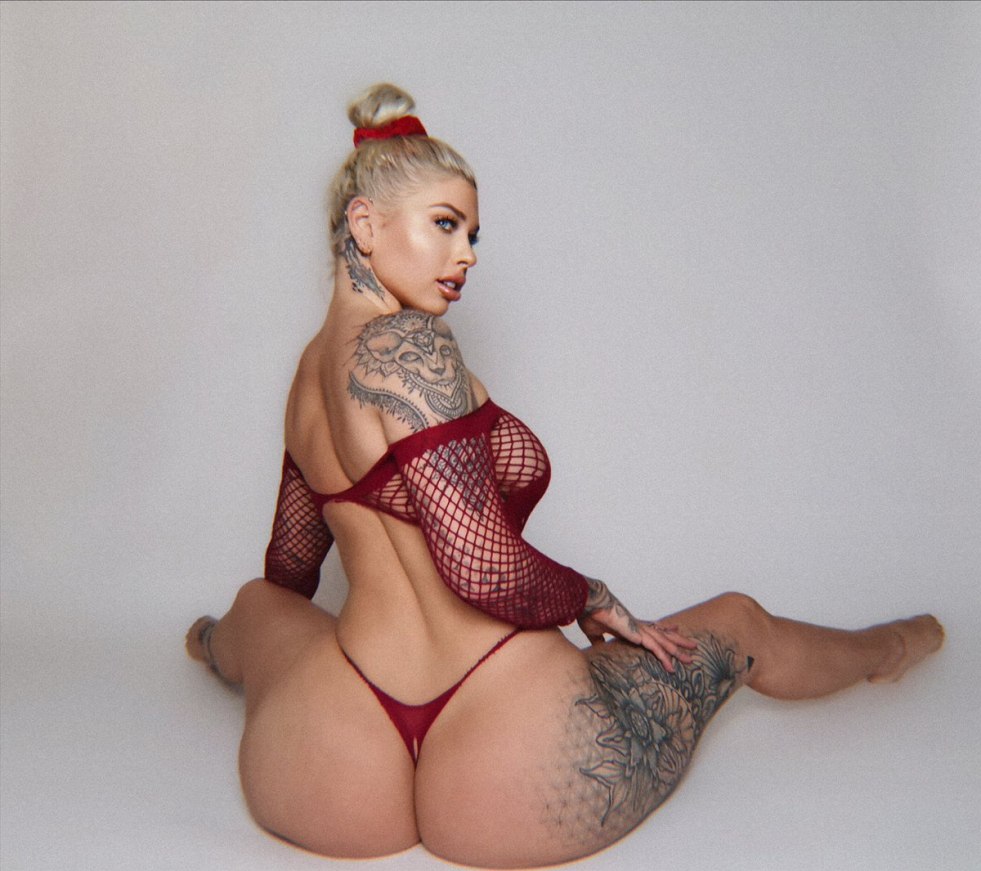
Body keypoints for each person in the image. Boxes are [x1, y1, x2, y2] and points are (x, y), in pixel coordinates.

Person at [186, 83, 944, 869]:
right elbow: (481, 565)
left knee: (261, 607)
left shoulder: (307, 372)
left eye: (472, 234)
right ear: (365, 224)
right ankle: (887, 647)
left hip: (332, 748)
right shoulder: (410, 346)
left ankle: (211, 643)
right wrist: (595, 598)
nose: (467, 255)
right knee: (740, 620)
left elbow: (293, 559)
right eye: (445, 224)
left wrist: (281, 663)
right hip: (506, 740)